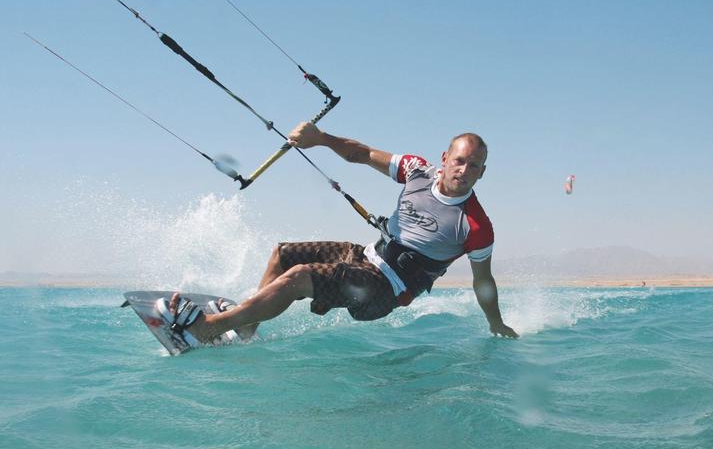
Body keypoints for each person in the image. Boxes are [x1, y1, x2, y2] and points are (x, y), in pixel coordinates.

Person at [156, 122, 519, 347]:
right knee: (284, 255)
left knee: (299, 278)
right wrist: (321, 138)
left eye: (474, 166)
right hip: (364, 257)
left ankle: (209, 329)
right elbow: (360, 154)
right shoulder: (416, 171)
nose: (464, 170)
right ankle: (247, 328)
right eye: (459, 161)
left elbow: (483, 283)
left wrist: (495, 322)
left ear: (482, 173)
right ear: (445, 158)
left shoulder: (475, 225)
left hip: (385, 291)